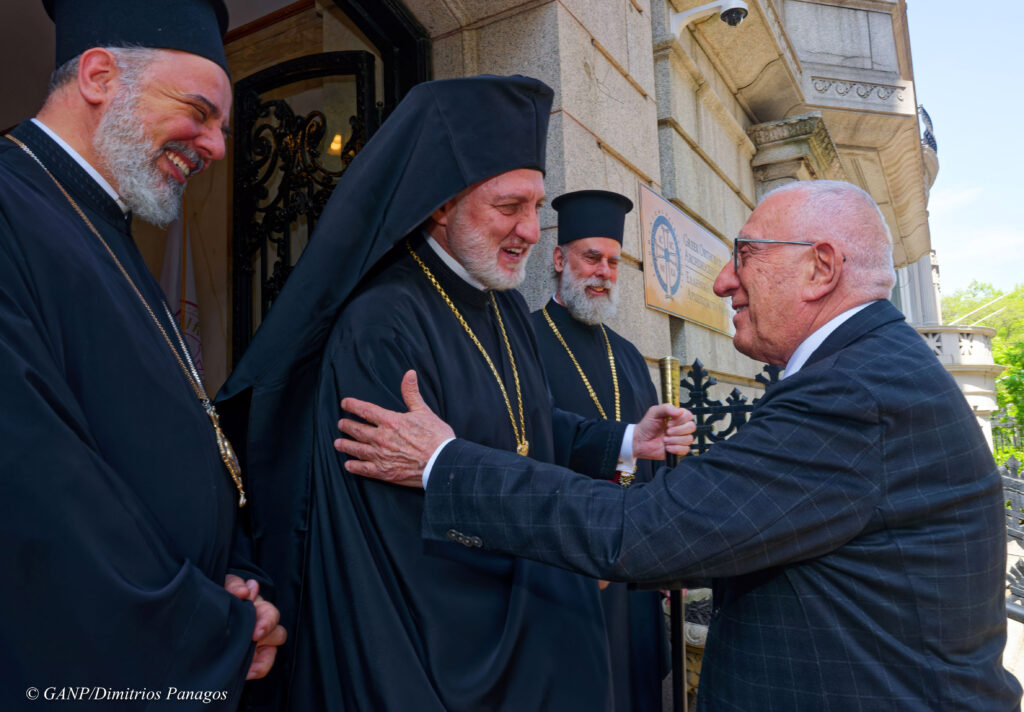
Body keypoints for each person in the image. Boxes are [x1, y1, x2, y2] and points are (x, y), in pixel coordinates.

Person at [336, 180, 1024, 710]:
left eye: (745, 255)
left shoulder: (855, 392)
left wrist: (443, 463)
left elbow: (646, 529)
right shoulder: (871, 372)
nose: (723, 280)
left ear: (820, 268)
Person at [217, 74, 683, 711]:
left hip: (534, 625)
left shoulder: (505, 304)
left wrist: (627, 440)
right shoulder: (382, 323)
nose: (530, 229)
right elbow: (393, 542)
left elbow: (528, 426)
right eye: (508, 206)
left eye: (535, 206)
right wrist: (565, 570)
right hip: (449, 657)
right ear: (441, 204)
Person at [0, 2, 284, 709]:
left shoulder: (110, 228)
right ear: (98, 76)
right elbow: (35, 485)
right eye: (199, 112)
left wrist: (234, 576)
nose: (216, 147)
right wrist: (208, 625)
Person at [532, 189, 668, 712]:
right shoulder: (523, 340)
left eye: (613, 262)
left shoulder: (629, 356)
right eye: (592, 257)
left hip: (633, 568)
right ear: (559, 259)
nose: (604, 273)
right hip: (564, 571)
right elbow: (533, 437)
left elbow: (654, 464)